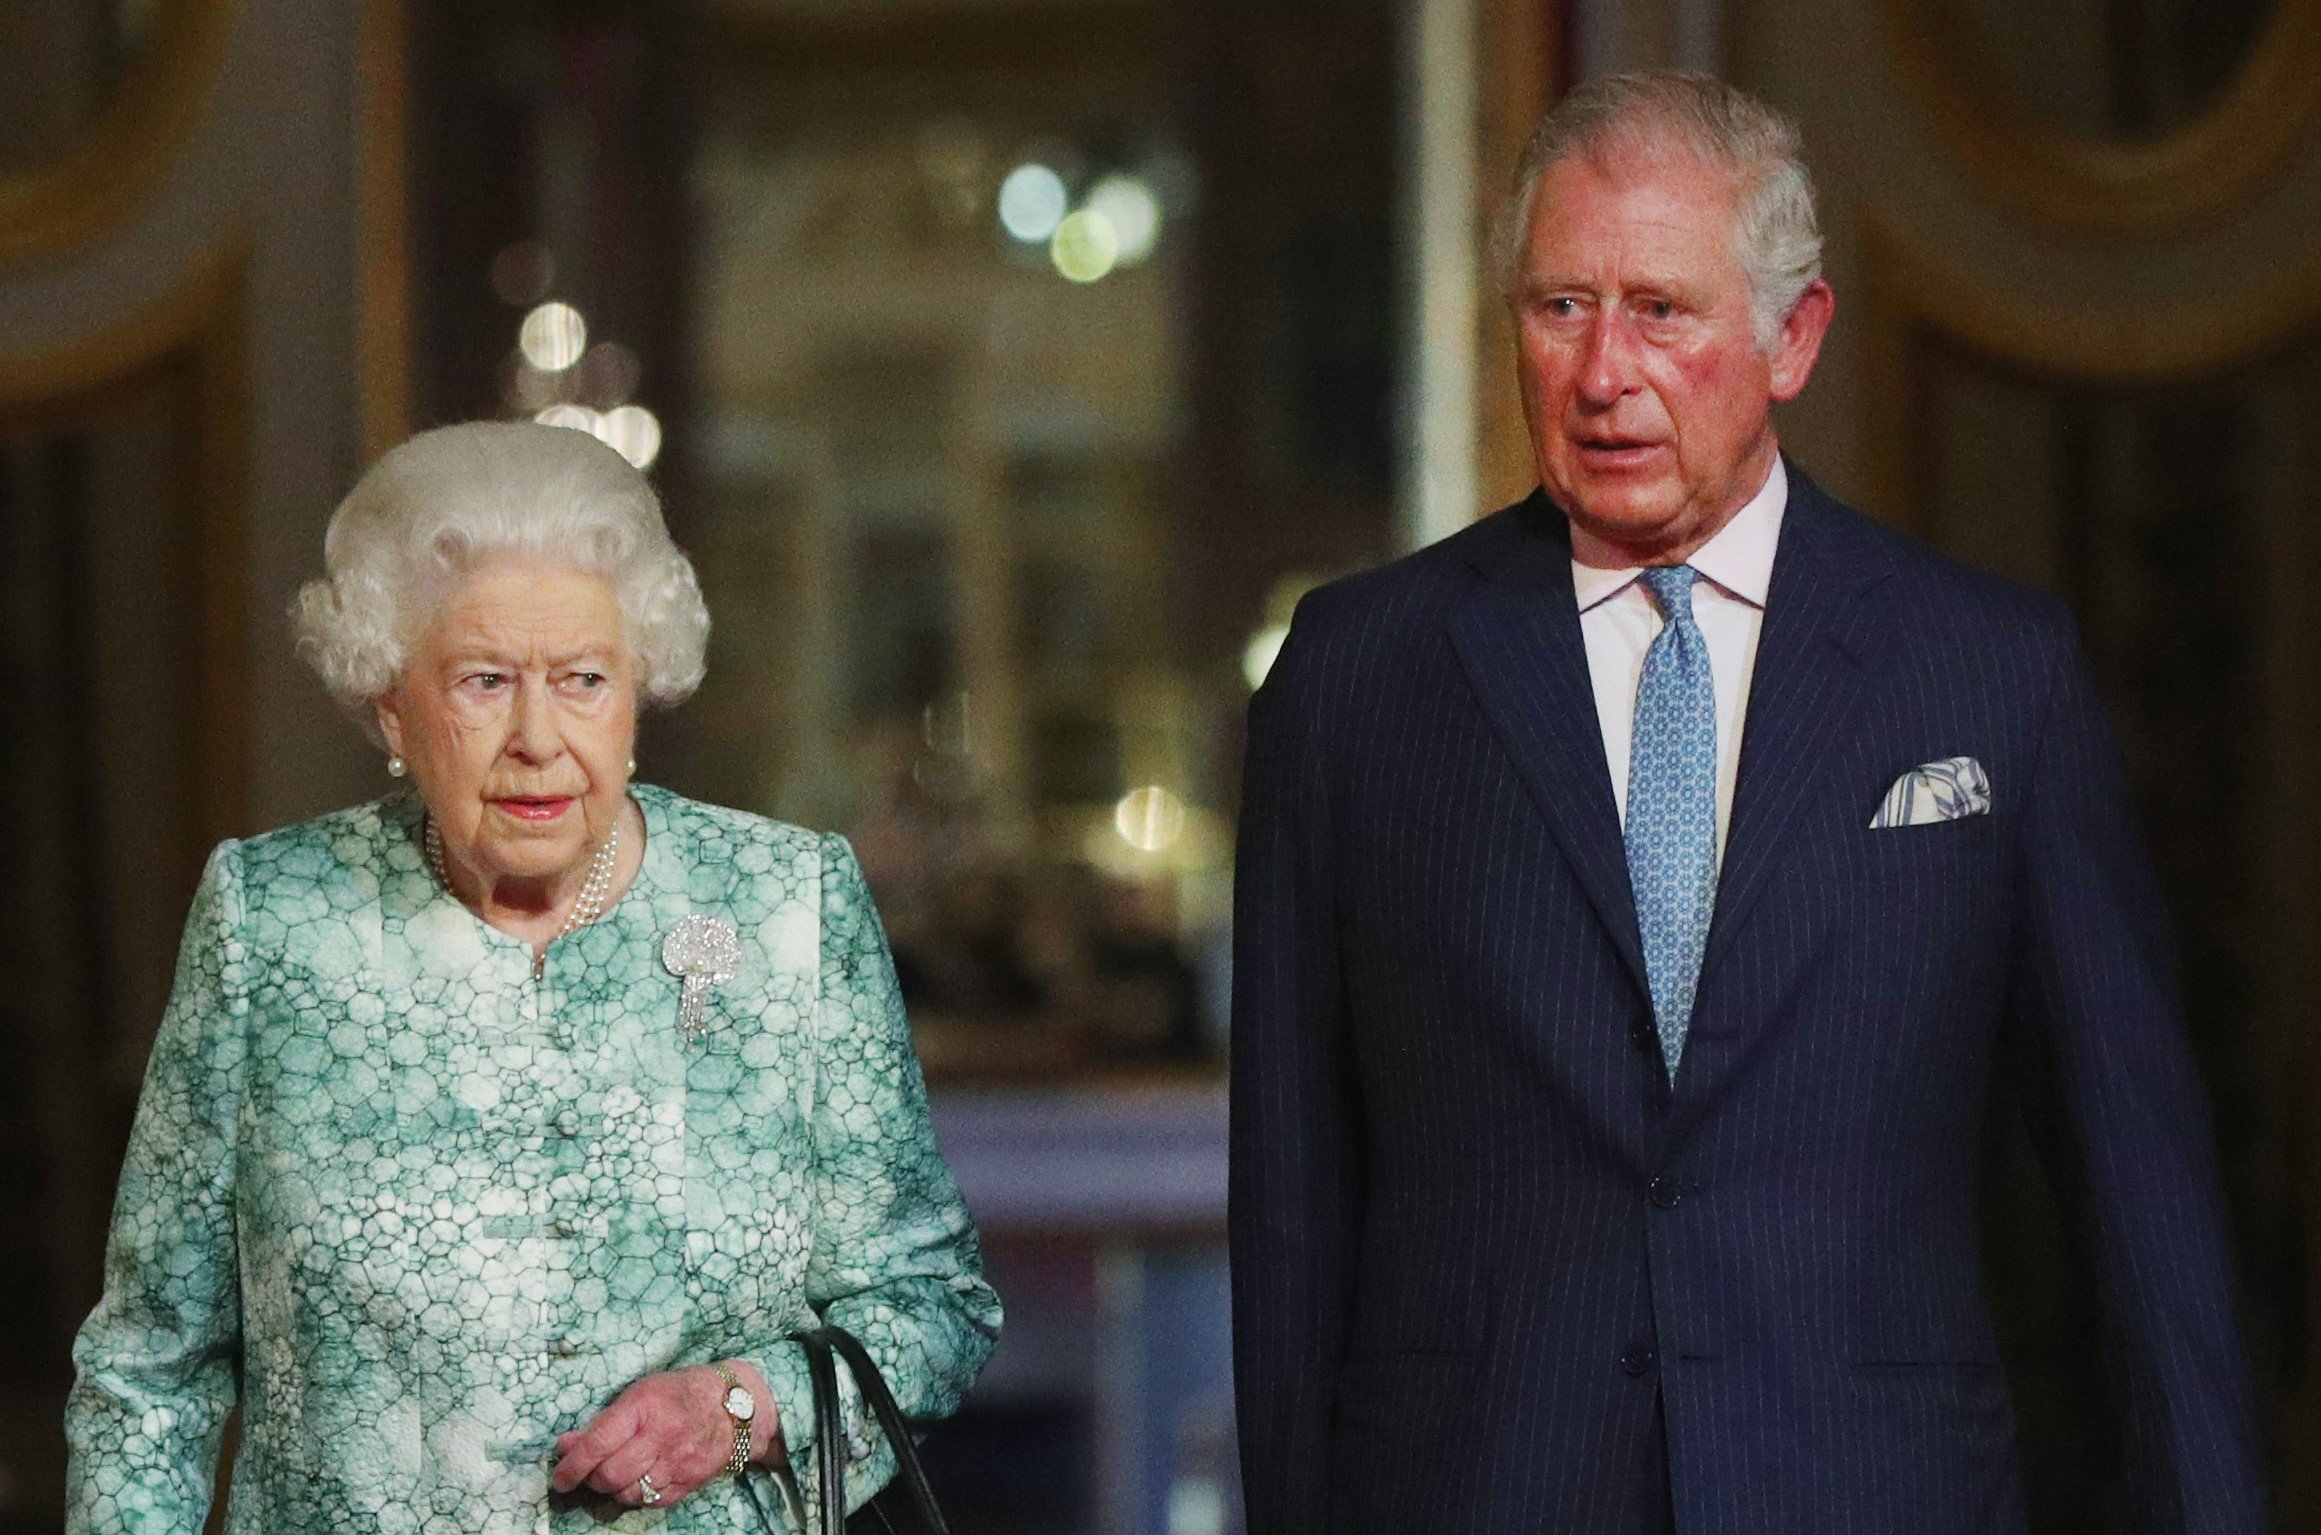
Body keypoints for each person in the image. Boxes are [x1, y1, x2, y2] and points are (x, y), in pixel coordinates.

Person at [1229, 70, 2267, 1533]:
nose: (1602, 373)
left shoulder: (1985, 676)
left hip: (1870, 1487)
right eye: (1557, 307)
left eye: (1660, 309)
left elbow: (2138, 1195)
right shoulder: (1357, 678)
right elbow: (1289, 1208)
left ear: (1793, 337)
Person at [65, 421, 999, 1532]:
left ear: (638, 693)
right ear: (388, 705)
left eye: (583, 678)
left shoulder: (786, 905)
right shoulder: (273, 921)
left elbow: (930, 1304)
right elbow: (148, 1367)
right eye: (483, 680)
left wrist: (744, 1404)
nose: (538, 736)